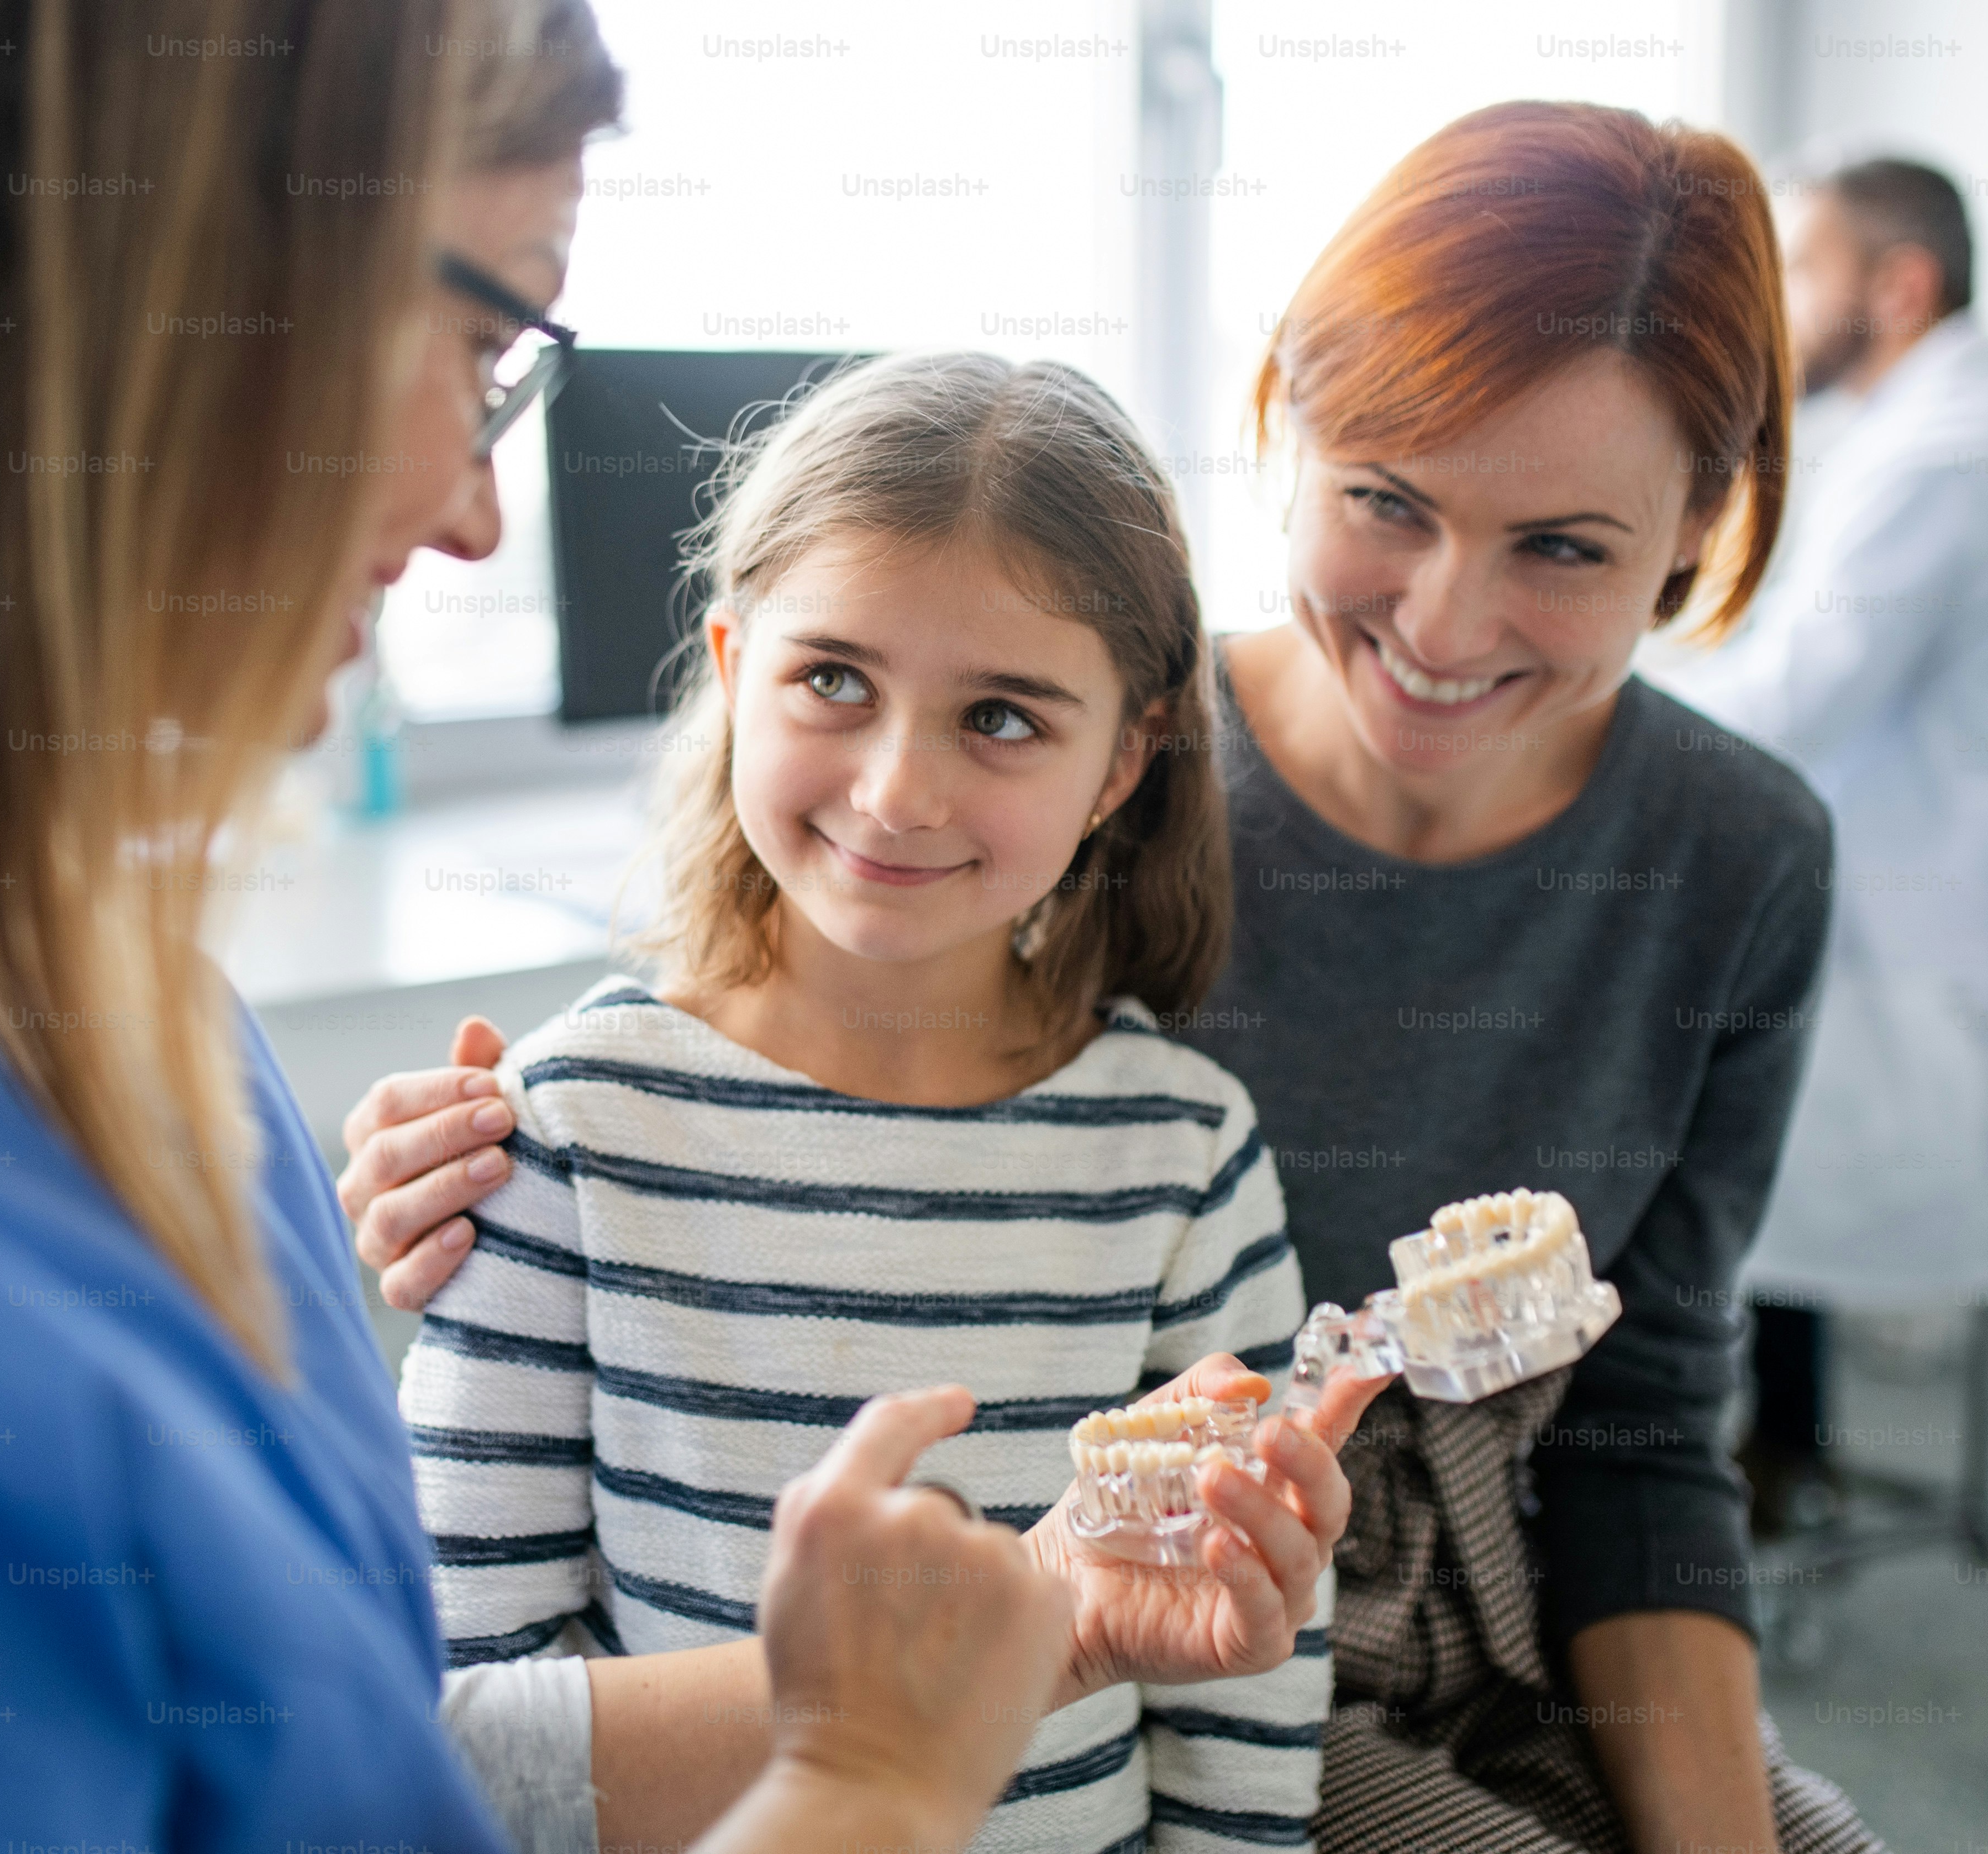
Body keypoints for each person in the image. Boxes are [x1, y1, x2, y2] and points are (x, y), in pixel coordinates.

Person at [0, 4, 1374, 1848]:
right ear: (165, 289)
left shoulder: (151, 1020)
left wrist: (1008, 1659)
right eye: (486, 336)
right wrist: (870, 1779)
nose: (482, 518)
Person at [345, 102, 1885, 1853]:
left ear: (1697, 530)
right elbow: (790, 1014)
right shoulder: (1056, 760)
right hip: (1209, 1632)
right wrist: (480, 1148)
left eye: (1564, 546)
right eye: (1388, 502)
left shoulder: (1732, 856)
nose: (1446, 626)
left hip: (1458, 1606)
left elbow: (1647, 1422)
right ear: (1287, 426)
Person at [411, 349, 1347, 1852]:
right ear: (733, 668)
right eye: (834, 680)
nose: (898, 791)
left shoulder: (1180, 1151)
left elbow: (1245, 1697)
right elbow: (464, 1711)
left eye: (1003, 717)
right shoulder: (571, 1127)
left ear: (1122, 762)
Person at [1645, 159, 1988, 1528]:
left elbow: (1790, 699)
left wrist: (1574, 688)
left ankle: (1745, 1477)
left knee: (1723, 1108)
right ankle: (1785, 1456)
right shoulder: (1970, 422)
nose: (1773, 304)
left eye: (1802, 270)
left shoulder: (1948, 448)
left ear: (1898, 287)